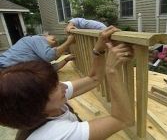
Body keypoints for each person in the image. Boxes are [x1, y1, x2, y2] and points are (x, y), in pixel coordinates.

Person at [0, 26, 134, 140]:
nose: (64, 85)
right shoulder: (54, 134)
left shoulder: (46, 104)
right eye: (54, 88)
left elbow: (93, 79)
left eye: (56, 82)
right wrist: (112, 70)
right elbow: (122, 120)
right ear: (35, 107)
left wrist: (98, 50)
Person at [0, 33, 75, 71]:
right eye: (53, 38)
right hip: (3, 68)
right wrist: (69, 41)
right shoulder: (37, 39)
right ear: (45, 35)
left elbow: (51, 68)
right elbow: (50, 55)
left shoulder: (40, 53)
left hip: (10, 72)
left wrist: (66, 59)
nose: (55, 42)